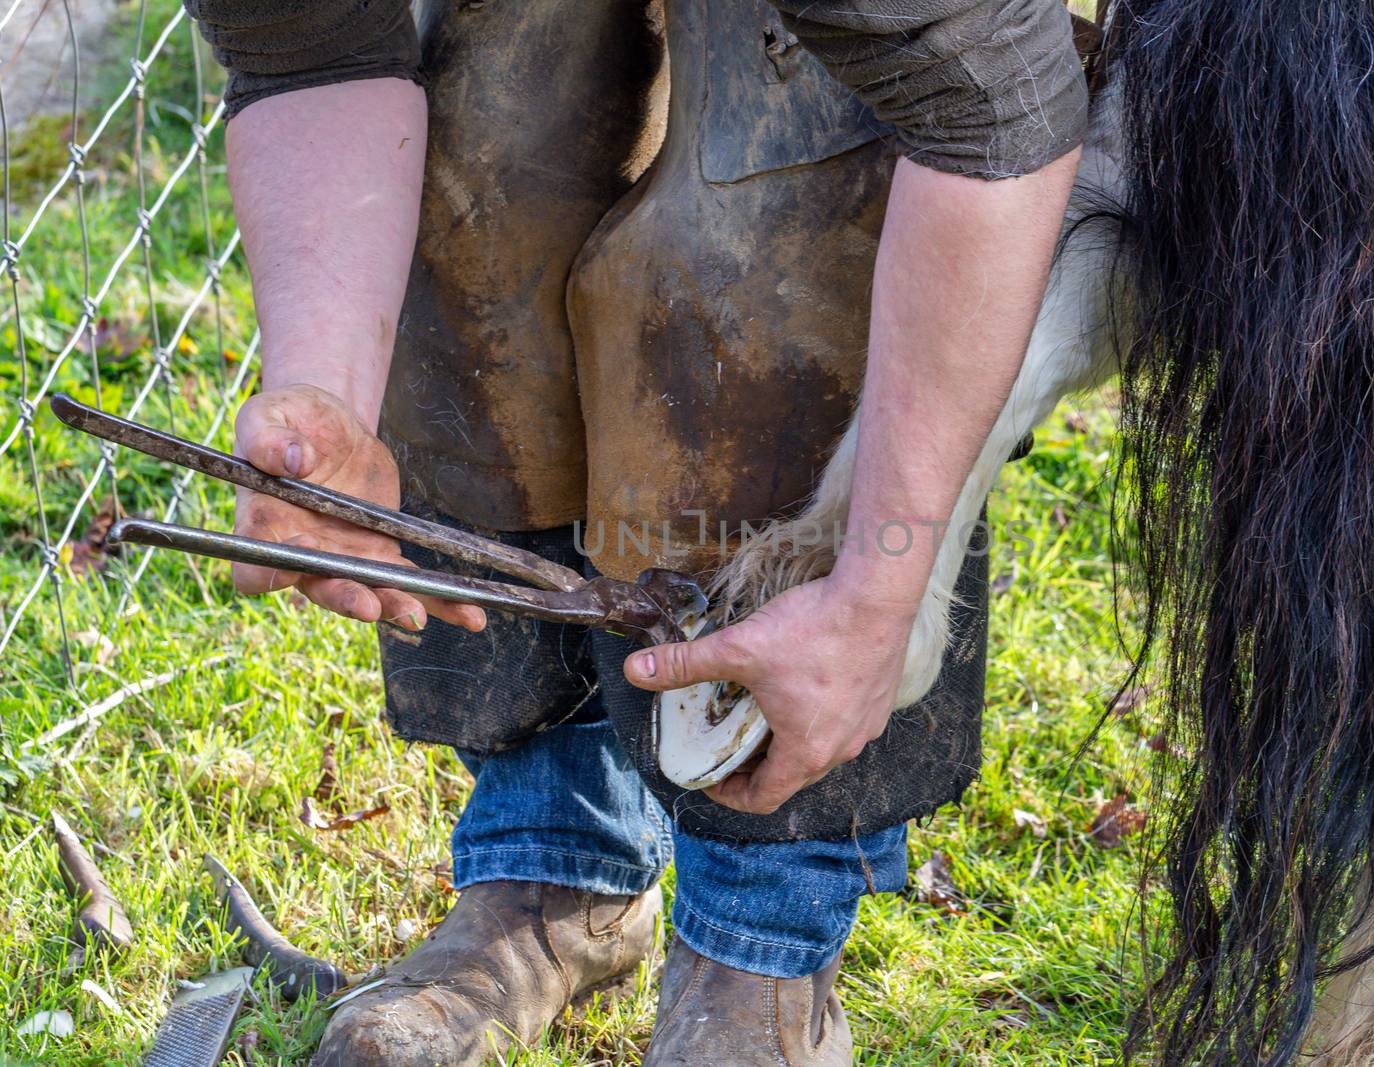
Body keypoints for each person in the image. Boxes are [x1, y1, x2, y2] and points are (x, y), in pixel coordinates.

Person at [185, 1, 1087, 1063]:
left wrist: (885, 580)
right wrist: (325, 389)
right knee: (484, 135)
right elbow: (315, 44)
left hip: (920, 51)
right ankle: (554, 864)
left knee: (773, 222)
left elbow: (984, 107)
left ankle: (760, 943)